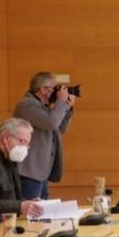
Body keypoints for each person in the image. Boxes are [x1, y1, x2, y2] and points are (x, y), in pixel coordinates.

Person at [13, 72, 76, 201]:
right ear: (42, 89)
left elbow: (60, 129)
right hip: (29, 170)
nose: (56, 93)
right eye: (54, 89)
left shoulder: (43, 106)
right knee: (33, 211)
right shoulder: (27, 105)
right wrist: (60, 101)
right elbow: (51, 123)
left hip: (41, 170)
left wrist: (67, 106)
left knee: (42, 210)